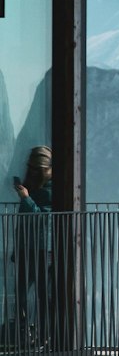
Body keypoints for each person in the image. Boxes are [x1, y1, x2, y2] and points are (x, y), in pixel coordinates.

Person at [11, 145, 53, 345]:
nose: (35, 172)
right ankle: (23, 334)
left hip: (43, 249)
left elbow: (41, 217)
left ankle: (44, 335)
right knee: (20, 292)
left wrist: (26, 198)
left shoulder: (51, 190)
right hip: (25, 247)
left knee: (43, 294)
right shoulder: (35, 185)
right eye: (33, 168)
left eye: (39, 169)